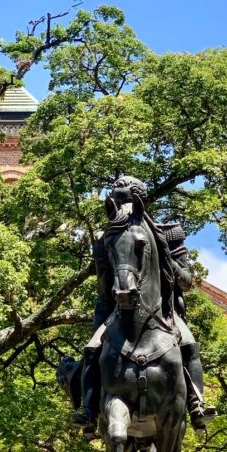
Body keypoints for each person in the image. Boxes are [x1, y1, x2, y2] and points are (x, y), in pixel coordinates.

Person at [68, 175, 216, 435]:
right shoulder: (107, 239)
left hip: (163, 312)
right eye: (117, 200)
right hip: (117, 310)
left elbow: (187, 281)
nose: (121, 206)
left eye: (125, 200)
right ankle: (89, 409)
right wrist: (98, 325)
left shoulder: (169, 232)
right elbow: (103, 289)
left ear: (140, 202)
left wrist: (165, 257)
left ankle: (197, 404)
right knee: (91, 348)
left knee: (189, 344)